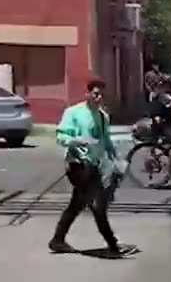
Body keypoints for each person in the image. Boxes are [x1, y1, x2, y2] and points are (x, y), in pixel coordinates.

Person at [50, 78, 132, 258]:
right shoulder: (74, 112)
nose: (98, 97)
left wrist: (116, 160)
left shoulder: (103, 116)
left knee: (77, 205)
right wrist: (76, 140)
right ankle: (112, 245)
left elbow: (106, 141)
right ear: (87, 93)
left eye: (101, 94)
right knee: (98, 205)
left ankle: (58, 239)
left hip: (93, 167)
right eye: (95, 93)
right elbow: (61, 135)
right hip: (78, 165)